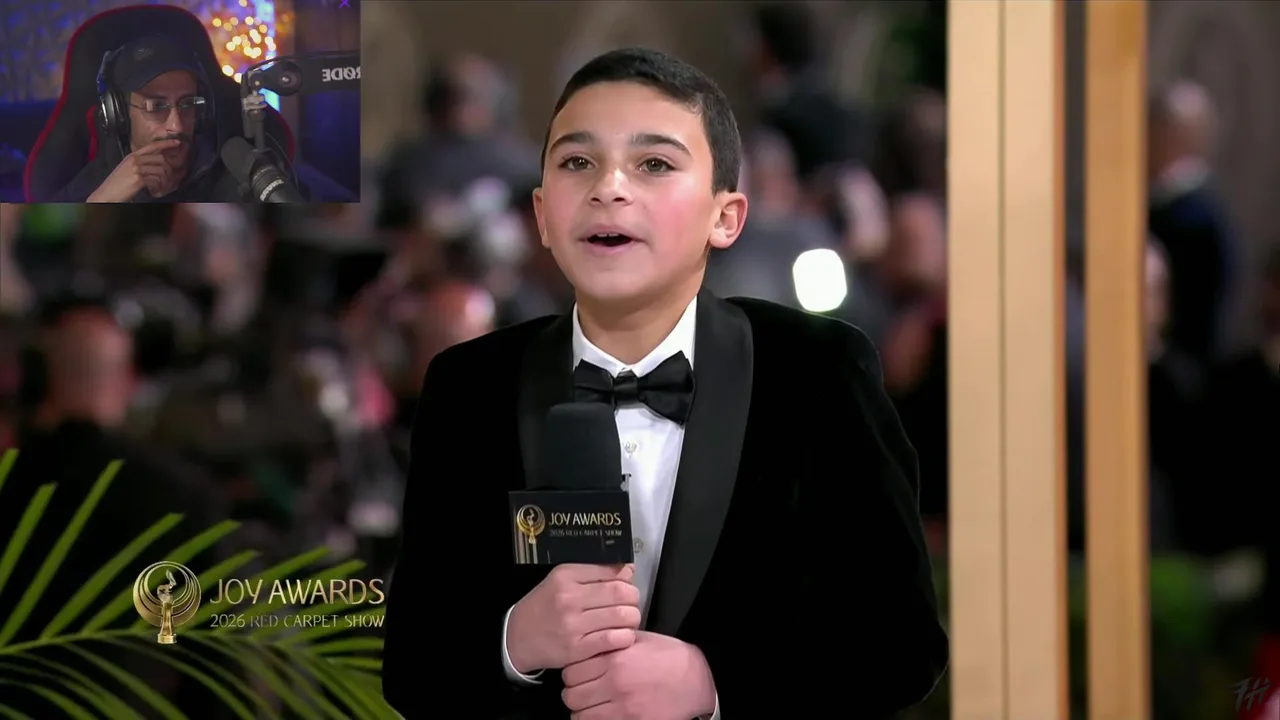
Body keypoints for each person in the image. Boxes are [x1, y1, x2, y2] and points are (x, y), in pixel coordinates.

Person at [382, 48, 948, 719]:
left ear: (725, 216)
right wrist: (515, 641)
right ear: (541, 215)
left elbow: (903, 645)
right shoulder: (470, 388)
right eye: (577, 162)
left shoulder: (816, 372)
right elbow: (411, 668)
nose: (609, 188)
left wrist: (712, 683)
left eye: (653, 164)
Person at [51, 34, 241, 203]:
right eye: (156, 107)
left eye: (187, 104)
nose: (177, 126)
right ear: (119, 114)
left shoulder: (233, 180)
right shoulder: (92, 187)